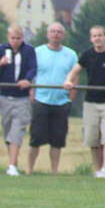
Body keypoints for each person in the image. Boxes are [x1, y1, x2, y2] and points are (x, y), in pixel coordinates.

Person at [64, 25, 105, 178]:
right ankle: (97, 169)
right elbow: (75, 70)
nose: (98, 38)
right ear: (91, 38)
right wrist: (68, 81)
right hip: (91, 102)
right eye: (94, 36)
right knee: (92, 137)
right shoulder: (87, 54)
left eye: (100, 35)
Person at [0, 24, 37, 176]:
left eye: (18, 38)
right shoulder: (1, 49)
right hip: (5, 97)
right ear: (8, 38)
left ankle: (12, 165)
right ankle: (12, 163)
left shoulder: (29, 50)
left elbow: (33, 68)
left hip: (22, 98)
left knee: (17, 130)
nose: (15, 41)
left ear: (23, 38)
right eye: (13, 38)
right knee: (8, 131)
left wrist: (27, 80)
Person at [27, 23, 77, 175]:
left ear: (63, 35)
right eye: (53, 31)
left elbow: (75, 77)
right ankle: (29, 170)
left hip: (61, 102)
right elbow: (32, 76)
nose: (56, 34)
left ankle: (54, 171)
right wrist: (32, 95)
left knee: (57, 140)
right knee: (35, 138)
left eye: (59, 32)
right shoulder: (37, 52)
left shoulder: (71, 54)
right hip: (41, 101)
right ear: (48, 34)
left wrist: (70, 99)